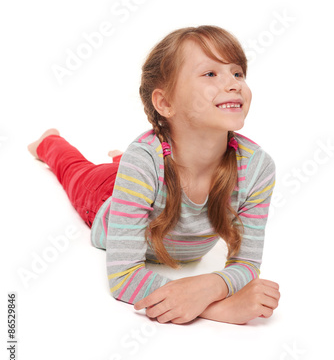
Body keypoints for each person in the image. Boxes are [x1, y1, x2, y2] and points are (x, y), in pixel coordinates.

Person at [27, 25, 280, 325]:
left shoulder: (257, 168)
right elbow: (123, 276)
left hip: (148, 171)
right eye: (211, 74)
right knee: (77, 171)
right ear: (165, 103)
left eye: (237, 73)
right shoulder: (143, 162)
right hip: (105, 196)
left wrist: (213, 285)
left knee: (138, 165)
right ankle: (48, 142)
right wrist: (218, 307)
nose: (234, 84)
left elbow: (247, 263)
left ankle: (123, 162)